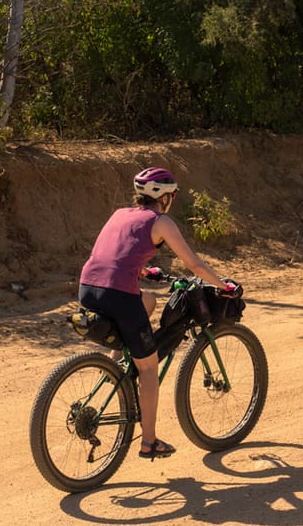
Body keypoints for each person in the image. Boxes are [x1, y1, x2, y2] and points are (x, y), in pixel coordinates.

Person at [78, 166, 239, 459]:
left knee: (148, 300)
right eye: (172, 196)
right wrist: (223, 286)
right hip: (118, 295)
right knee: (149, 368)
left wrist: (142, 270)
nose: (172, 200)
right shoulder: (161, 222)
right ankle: (149, 442)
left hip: (87, 287)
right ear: (165, 198)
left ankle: (116, 366)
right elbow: (195, 266)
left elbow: (112, 256)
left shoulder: (119, 214)